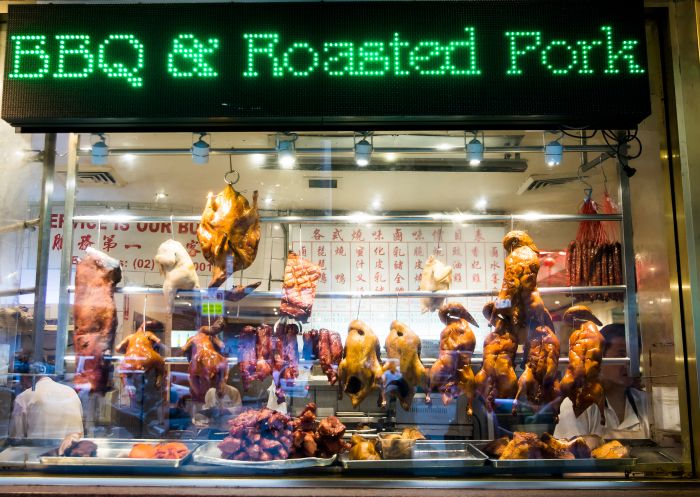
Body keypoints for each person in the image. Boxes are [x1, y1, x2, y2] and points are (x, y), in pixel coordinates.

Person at [554, 323, 650, 439]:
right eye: (621, 355)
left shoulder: (645, 402)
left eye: (634, 357)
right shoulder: (578, 403)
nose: (629, 364)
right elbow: (570, 452)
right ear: (600, 357)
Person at [9, 375, 84, 440]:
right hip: (73, 453)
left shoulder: (24, 397)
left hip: (37, 453)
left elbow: (16, 438)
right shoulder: (71, 392)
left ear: (24, 378)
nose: (21, 385)